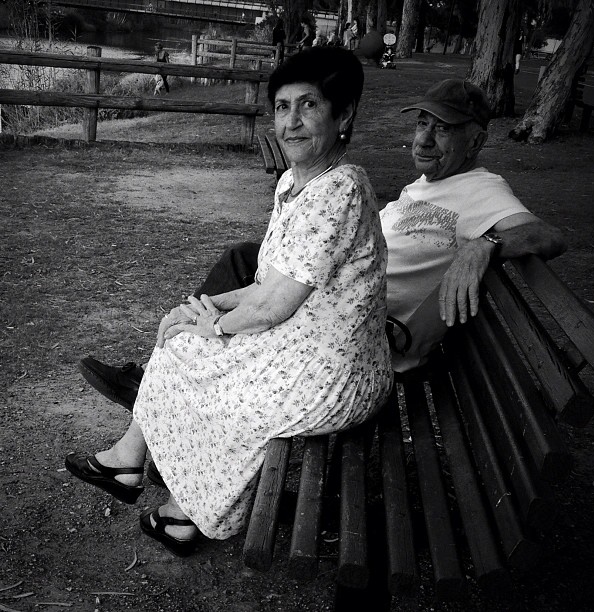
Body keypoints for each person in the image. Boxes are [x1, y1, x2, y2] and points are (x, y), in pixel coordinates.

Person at [77, 78, 567, 495]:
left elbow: (548, 236)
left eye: (443, 128)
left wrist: (485, 245)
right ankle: (159, 399)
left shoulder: (483, 191)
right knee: (244, 258)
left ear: (476, 140)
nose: (425, 138)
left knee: (242, 289)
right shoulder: (423, 186)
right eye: (422, 123)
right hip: (338, 306)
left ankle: (155, 395)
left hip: (360, 334)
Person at [65, 47, 393, 557]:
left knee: (199, 360)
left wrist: (213, 327)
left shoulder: (341, 191)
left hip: (336, 373)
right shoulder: (295, 184)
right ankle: (143, 475)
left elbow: (272, 307)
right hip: (305, 347)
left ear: (344, 114)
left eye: (309, 105)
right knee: (182, 344)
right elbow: (266, 284)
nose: (292, 122)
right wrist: (205, 306)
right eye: (282, 107)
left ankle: (181, 508)